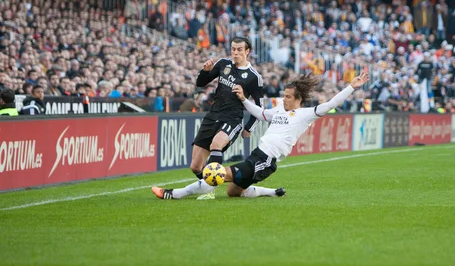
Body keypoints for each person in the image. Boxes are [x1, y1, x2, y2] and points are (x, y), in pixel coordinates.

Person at [152, 71, 369, 200]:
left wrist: (351, 86)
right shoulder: (279, 111)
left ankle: (174, 194)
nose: (283, 99)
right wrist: (244, 100)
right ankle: (272, 192)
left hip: (265, 160)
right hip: (257, 156)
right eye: (283, 95)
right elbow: (261, 113)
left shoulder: (305, 115)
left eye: (287, 96)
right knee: (232, 192)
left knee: (215, 173)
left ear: (298, 98)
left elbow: (331, 103)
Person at [176, 37, 264, 199]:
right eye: (233, 49)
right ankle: (211, 186)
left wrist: (249, 127)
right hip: (212, 115)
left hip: (233, 118)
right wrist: (206, 71)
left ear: (247, 52)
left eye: (239, 49)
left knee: (216, 144)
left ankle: (208, 190)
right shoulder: (224, 63)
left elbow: (260, 106)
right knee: (195, 166)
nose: (235, 52)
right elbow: (200, 83)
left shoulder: (253, 77)